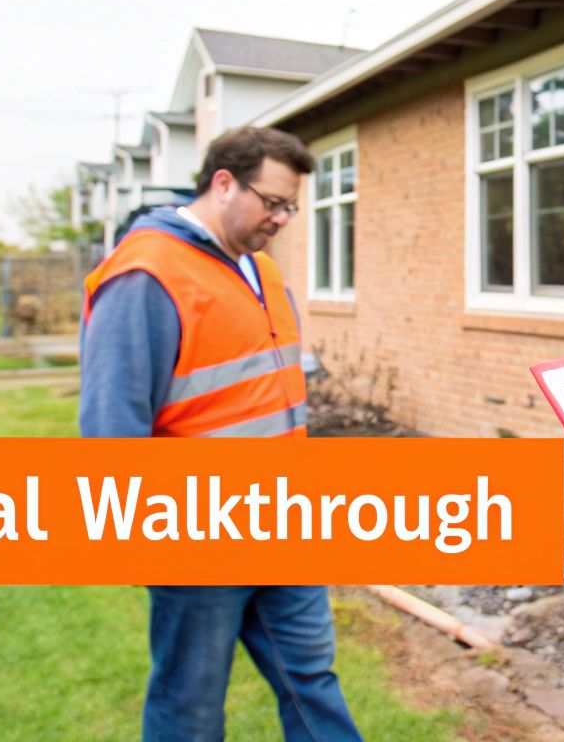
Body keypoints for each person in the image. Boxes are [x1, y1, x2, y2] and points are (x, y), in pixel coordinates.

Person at [79, 126, 364, 742]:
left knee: (312, 679)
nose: (285, 219)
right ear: (224, 183)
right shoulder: (145, 275)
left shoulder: (259, 270)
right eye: (275, 203)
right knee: (190, 706)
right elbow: (110, 424)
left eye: (292, 207)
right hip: (197, 536)